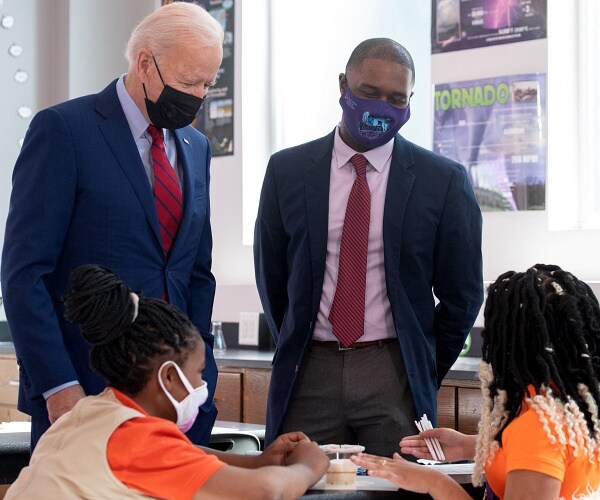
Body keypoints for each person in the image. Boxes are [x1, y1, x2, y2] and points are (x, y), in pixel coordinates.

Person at [1, 2, 223, 449]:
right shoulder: (65, 130)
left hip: (176, 401)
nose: (198, 96)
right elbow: (25, 273)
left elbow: (195, 272)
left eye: (208, 84)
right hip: (83, 392)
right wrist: (58, 385)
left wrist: (203, 379)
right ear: (144, 63)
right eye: (187, 82)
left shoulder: (196, 146)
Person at [254, 37, 483, 455]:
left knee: (400, 484)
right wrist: (297, 343)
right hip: (310, 370)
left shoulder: (443, 180)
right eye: (369, 92)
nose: (381, 108)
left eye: (396, 99)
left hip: (394, 373)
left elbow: (463, 294)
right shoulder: (286, 171)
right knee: (296, 481)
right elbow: (272, 276)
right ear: (343, 85)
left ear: (410, 100)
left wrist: (421, 365)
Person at [5, 265, 329, 499]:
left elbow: (179, 452)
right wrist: (307, 467)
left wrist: (257, 461)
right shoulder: (137, 441)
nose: (202, 385)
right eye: (198, 373)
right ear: (169, 376)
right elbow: (269, 491)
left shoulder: (90, 413)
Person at [352, 264, 600, 499]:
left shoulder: (537, 427)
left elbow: (534, 447)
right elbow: (530, 453)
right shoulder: (570, 405)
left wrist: (433, 482)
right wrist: (467, 445)